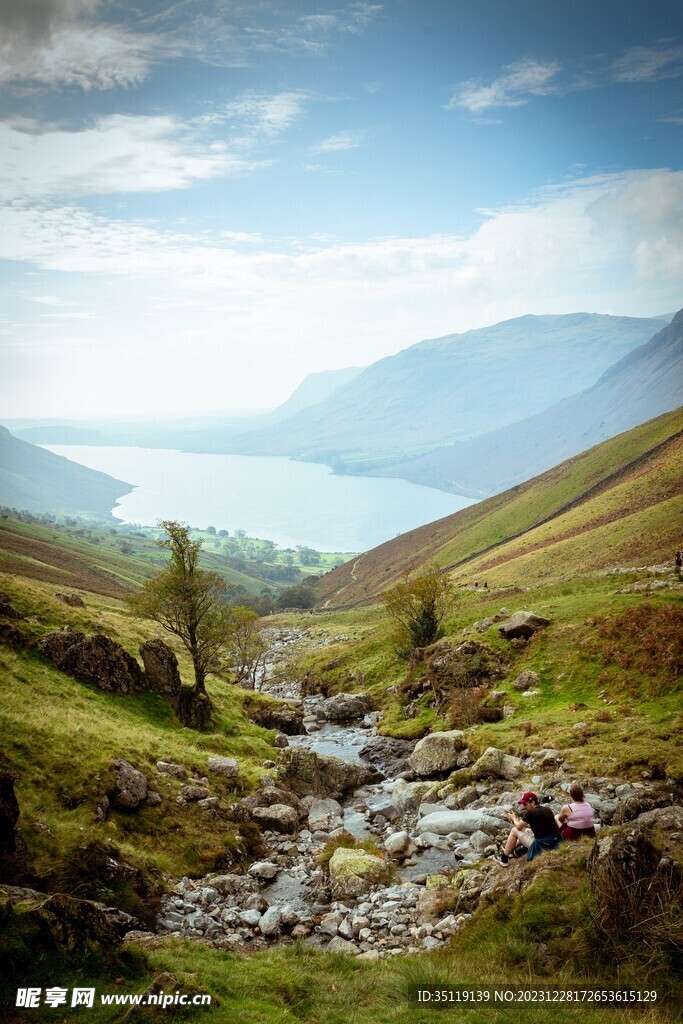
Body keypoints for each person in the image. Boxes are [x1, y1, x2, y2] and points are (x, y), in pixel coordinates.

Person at [495, 791, 563, 864]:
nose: (523, 807)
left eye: (525, 804)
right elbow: (541, 826)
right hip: (555, 842)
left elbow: (518, 827)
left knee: (514, 830)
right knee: (527, 830)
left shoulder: (530, 812)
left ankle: (504, 858)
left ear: (533, 802)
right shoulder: (547, 809)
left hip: (542, 846)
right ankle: (511, 850)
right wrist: (522, 823)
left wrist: (513, 818)